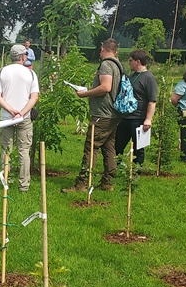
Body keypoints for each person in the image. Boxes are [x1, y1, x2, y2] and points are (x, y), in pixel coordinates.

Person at [63, 38, 123, 193]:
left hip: (102, 115)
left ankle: (81, 184)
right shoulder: (118, 65)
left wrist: (85, 94)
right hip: (113, 115)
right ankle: (107, 182)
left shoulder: (106, 65)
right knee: (109, 147)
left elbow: (105, 87)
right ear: (116, 50)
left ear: (102, 49)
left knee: (91, 148)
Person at [0, 44, 40, 192]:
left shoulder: (1, 72)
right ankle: (24, 185)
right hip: (24, 118)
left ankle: (4, 180)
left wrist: (11, 110)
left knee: (6, 149)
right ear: (23, 57)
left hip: (7, 117)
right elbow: (34, 98)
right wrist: (22, 112)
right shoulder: (31, 74)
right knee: (24, 151)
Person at [114, 49, 159, 168]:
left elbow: (152, 101)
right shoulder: (132, 76)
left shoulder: (149, 78)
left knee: (138, 148)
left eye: (130, 61)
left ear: (138, 61)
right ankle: (118, 167)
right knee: (117, 145)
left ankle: (136, 171)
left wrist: (148, 119)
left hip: (139, 118)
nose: (129, 63)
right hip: (126, 117)